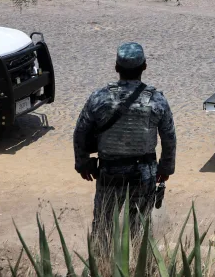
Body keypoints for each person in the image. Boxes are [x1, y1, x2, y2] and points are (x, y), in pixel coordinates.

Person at [74, 43, 177, 235]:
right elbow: (169, 137)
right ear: (144, 66)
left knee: (103, 226)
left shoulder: (99, 97)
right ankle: (138, 262)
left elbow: (80, 132)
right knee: (138, 227)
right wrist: (165, 168)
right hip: (144, 173)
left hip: (109, 173)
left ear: (116, 68)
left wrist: (83, 164)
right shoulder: (157, 100)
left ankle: (102, 263)